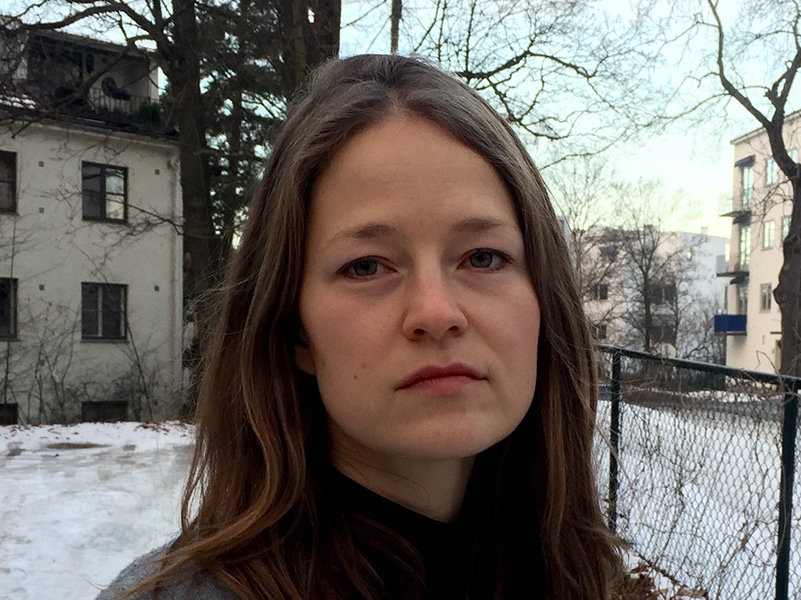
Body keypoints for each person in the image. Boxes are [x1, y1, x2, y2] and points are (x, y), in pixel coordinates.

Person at [98, 53, 622, 600]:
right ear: (294, 329)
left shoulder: (572, 573)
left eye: (483, 258)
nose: (437, 313)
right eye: (366, 266)